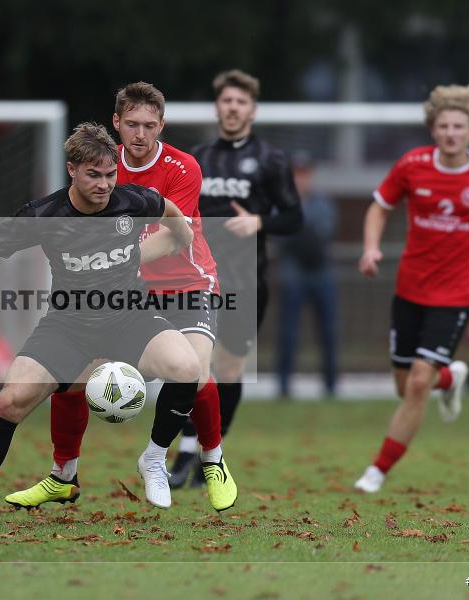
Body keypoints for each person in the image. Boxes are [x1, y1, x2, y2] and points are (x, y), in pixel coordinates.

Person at [0, 122, 202, 524]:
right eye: (93, 175)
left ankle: (153, 459)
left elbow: (170, 213)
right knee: (8, 402)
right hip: (69, 326)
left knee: (187, 367)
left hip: (129, 316)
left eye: (110, 174)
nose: (104, 184)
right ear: (72, 170)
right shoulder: (43, 214)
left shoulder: (133, 200)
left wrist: (179, 238)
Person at [6, 82, 236, 512]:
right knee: (71, 373)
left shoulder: (183, 168)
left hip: (187, 281)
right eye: (131, 124)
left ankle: (204, 459)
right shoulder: (103, 164)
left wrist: (107, 261)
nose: (140, 133)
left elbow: (170, 237)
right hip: (127, 289)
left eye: (150, 125)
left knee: (195, 370)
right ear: (117, 123)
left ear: (161, 126)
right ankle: (63, 476)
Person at [354, 84, 469, 493]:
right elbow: (379, 207)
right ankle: (449, 380)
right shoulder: (412, 165)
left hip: (457, 293)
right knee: (405, 385)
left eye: (459, 126)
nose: (451, 133)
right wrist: (370, 249)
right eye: (444, 126)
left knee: (419, 381)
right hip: (410, 287)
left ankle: (377, 471)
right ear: (433, 129)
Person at [170, 69, 303, 486]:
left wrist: (259, 222)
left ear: (252, 109)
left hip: (247, 281)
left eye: (240, 102)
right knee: (192, 366)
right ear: (218, 107)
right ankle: (186, 452)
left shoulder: (271, 160)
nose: (232, 108)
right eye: (226, 101)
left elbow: (294, 217)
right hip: (198, 279)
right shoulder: (197, 159)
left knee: (228, 368)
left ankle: (211, 453)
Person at [275, 151, 338, 398]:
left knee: (328, 330)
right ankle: (284, 385)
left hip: (321, 272)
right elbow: (281, 234)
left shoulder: (323, 202)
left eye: (305, 174)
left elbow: (323, 233)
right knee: (289, 332)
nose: (301, 179)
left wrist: (297, 230)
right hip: (293, 274)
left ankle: (331, 385)